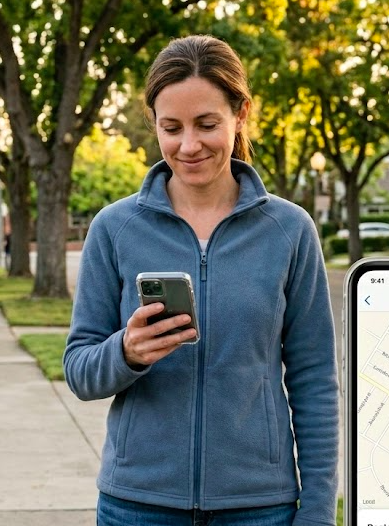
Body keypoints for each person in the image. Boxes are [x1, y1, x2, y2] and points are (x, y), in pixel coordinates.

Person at [63, 35, 338, 526]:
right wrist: (127, 352)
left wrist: (317, 510)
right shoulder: (114, 228)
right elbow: (79, 370)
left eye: (207, 125)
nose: (189, 146)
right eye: (171, 128)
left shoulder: (289, 231)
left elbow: (314, 380)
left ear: (241, 114)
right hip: (137, 507)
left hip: (258, 508)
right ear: (154, 123)